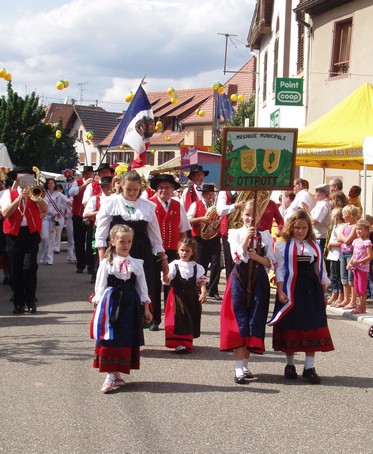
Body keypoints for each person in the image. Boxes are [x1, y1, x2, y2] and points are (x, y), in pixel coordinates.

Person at [269, 210, 334, 384]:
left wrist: (325, 292)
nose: (300, 231)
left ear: (308, 228)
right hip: (291, 287)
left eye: (304, 228)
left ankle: (309, 367)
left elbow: (320, 270)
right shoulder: (283, 246)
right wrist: (280, 290)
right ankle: (289, 365)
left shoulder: (314, 246)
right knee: (291, 324)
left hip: (311, 288)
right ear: (291, 227)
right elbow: (280, 270)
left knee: (311, 324)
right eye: (297, 227)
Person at [90, 224, 152, 393]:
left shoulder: (137, 264)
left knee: (124, 338)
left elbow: (143, 288)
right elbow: (100, 287)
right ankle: (110, 375)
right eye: (122, 242)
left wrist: (146, 307)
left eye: (129, 241)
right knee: (111, 337)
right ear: (112, 242)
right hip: (111, 304)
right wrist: (98, 308)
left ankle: (116, 373)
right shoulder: (107, 263)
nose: (126, 245)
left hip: (130, 304)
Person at [220, 200, 275, 384]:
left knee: (254, 320)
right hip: (240, 279)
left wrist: (258, 257)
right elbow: (236, 257)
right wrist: (246, 240)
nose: (251, 218)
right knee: (240, 321)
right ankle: (237, 369)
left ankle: (245, 365)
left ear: (260, 216)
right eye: (247, 214)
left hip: (259, 279)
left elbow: (271, 262)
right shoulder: (234, 233)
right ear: (241, 215)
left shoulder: (265, 235)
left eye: (255, 215)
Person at [95, 170, 168, 304]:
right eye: (128, 189)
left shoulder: (148, 206)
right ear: (121, 185)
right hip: (118, 248)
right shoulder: (111, 202)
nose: (132, 193)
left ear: (140, 187)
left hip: (141, 249)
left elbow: (155, 235)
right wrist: (102, 257)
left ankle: (142, 319)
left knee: (142, 285)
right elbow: (101, 231)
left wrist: (163, 257)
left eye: (135, 189)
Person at [2, 166, 48, 313]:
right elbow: (5, 213)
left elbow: (45, 209)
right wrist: (20, 197)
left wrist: (34, 196)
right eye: (22, 178)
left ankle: (30, 299)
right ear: (15, 179)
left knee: (30, 267)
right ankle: (18, 302)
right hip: (13, 235)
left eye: (28, 178)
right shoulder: (7, 193)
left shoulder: (36, 192)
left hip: (31, 233)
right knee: (15, 269)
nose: (24, 181)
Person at [149, 174, 191, 331]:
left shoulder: (178, 205)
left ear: (173, 189)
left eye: (167, 187)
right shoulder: (150, 204)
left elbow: (183, 231)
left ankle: (170, 317)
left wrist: (184, 251)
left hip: (173, 250)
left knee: (171, 285)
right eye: (160, 187)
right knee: (153, 285)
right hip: (154, 250)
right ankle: (154, 319)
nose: (163, 190)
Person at [162, 237, 207, 353]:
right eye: (182, 250)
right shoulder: (174, 265)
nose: (184, 253)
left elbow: (200, 281)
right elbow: (167, 279)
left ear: (193, 252)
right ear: (178, 250)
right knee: (180, 317)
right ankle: (179, 343)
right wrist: (165, 274)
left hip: (191, 296)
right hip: (178, 295)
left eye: (187, 251)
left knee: (191, 317)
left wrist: (203, 292)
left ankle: (187, 341)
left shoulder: (196, 267)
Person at [187, 183, 222, 300]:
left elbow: (220, 221)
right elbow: (188, 220)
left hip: (214, 238)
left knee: (216, 263)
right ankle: (199, 288)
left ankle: (214, 290)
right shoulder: (195, 205)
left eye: (212, 194)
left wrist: (216, 230)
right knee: (201, 263)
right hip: (200, 239)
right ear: (203, 194)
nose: (211, 197)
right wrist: (201, 219)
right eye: (209, 194)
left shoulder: (216, 206)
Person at [83, 176, 113, 283]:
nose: (108, 188)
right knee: (98, 253)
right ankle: (97, 275)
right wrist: (99, 212)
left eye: (109, 185)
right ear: (101, 187)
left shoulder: (116, 198)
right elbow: (85, 214)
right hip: (99, 228)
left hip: (114, 229)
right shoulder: (95, 198)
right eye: (105, 186)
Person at [69, 165, 94, 274]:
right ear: (84, 175)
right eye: (87, 174)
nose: (89, 176)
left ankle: (90, 265)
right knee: (78, 240)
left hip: (90, 215)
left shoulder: (95, 184)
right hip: (78, 216)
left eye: (90, 174)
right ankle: (80, 265)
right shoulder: (77, 182)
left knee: (90, 242)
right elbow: (71, 192)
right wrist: (84, 185)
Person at [216, 191, 248, 279]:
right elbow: (220, 211)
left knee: (244, 261)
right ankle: (230, 289)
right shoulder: (224, 192)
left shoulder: (246, 190)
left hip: (244, 232)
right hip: (228, 231)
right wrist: (236, 206)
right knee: (230, 263)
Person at [40, 178, 70, 265]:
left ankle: (49, 258)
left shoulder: (59, 194)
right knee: (45, 237)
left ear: (55, 184)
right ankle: (43, 256)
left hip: (55, 218)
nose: (50, 184)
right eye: (49, 183)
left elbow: (67, 201)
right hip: (45, 217)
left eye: (52, 183)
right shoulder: (43, 194)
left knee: (52, 238)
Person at [346, 220, 373, 314]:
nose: (358, 231)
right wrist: (350, 263)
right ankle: (359, 306)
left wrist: (359, 262)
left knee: (362, 288)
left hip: (363, 268)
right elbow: (354, 254)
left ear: (366, 230)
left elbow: (370, 256)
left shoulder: (367, 242)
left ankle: (362, 307)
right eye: (357, 229)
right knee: (356, 287)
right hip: (355, 268)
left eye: (360, 229)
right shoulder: (356, 241)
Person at [335, 205, 359, 308]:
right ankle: (346, 299)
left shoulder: (355, 226)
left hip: (351, 253)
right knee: (343, 276)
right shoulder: (345, 225)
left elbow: (348, 240)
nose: (343, 216)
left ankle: (353, 300)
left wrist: (343, 238)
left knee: (351, 277)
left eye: (345, 214)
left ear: (351, 215)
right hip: (343, 252)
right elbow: (339, 236)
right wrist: (343, 238)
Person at [303, 184, 331, 254]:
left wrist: (307, 212)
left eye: (316, 192)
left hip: (320, 236)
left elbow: (314, 221)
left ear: (322, 193)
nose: (314, 193)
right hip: (317, 235)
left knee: (318, 256)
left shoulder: (323, 205)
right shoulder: (320, 204)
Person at [326, 207, 345, 306]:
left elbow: (341, 241)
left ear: (337, 217)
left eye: (332, 215)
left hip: (338, 254)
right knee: (333, 276)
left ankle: (340, 296)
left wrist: (332, 244)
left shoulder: (342, 226)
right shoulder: (334, 226)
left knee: (338, 277)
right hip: (332, 255)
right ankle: (334, 294)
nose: (331, 217)